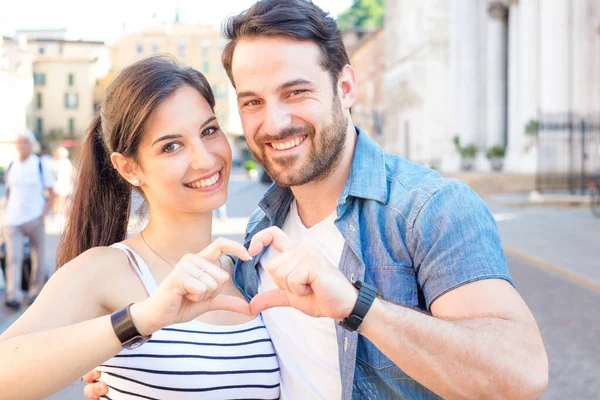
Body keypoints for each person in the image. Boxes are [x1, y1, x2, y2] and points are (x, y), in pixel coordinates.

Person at [85, 1, 548, 399]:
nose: (275, 122)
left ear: (345, 87)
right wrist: (134, 374)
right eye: (253, 102)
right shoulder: (259, 236)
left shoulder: (428, 209)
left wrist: (357, 307)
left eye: (296, 91)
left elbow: (520, 377)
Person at [0, 56, 280, 400]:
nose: (205, 158)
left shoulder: (246, 272)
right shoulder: (108, 268)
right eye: (171, 146)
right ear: (129, 169)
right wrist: (138, 320)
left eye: (209, 130)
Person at [2, 130, 55, 310]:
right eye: (19, 142)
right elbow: (9, 192)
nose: (21, 145)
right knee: (12, 258)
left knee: (37, 256)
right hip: (12, 220)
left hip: (34, 218)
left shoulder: (40, 165)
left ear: (32, 144)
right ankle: (13, 295)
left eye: (25, 142)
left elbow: (52, 193)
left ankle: (35, 292)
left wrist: (42, 214)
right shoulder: (11, 165)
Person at [51, 146, 74, 224]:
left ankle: (60, 214)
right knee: (61, 200)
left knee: (60, 199)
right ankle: (59, 214)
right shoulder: (64, 162)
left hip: (62, 183)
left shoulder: (57, 162)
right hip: (61, 183)